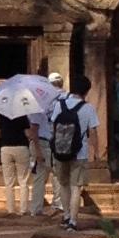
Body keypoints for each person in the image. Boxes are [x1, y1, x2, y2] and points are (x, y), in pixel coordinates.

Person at [44, 87, 95, 225]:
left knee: (63, 185)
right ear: (86, 91)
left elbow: (53, 126)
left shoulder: (59, 105)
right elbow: (93, 131)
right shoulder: (88, 108)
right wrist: (93, 151)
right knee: (76, 187)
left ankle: (66, 215)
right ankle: (73, 220)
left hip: (60, 151)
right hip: (80, 152)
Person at [0, 101, 34, 216]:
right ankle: (23, 209)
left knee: (9, 181)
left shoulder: (1, 115)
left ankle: (11, 210)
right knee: (23, 180)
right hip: (21, 148)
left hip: (6, 148)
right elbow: (28, 134)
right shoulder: (22, 115)